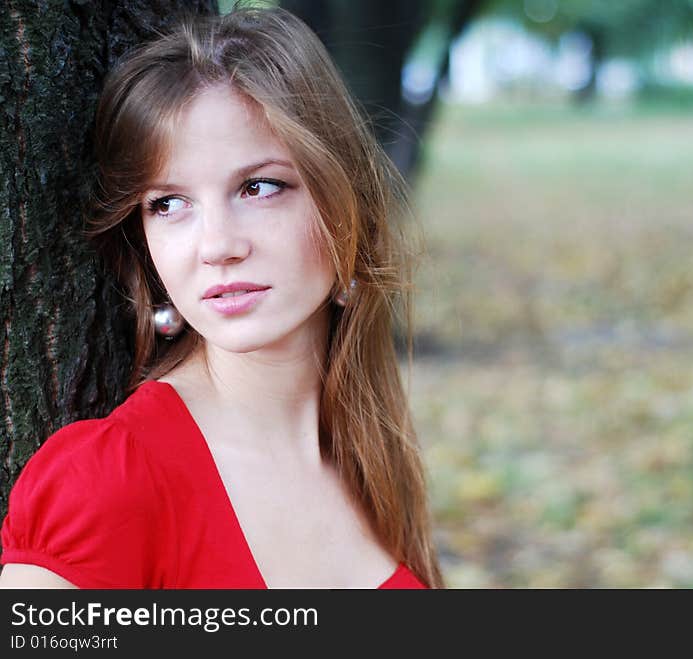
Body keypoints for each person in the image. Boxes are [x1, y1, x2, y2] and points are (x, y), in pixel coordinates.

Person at [0, 6, 442, 589]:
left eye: (259, 187)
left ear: (344, 206)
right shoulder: (106, 485)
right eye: (169, 203)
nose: (216, 246)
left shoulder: (369, 458)